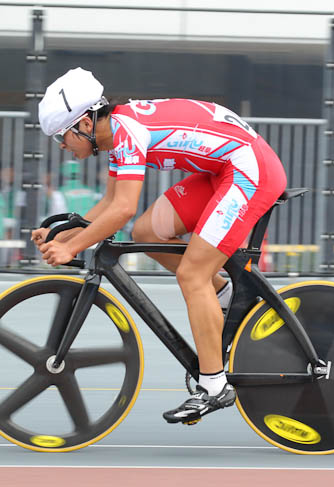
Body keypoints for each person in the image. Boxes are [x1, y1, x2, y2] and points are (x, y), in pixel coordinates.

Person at [32, 67, 287, 422]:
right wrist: (63, 236)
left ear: (86, 125)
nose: (62, 146)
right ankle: (225, 297)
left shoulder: (126, 133)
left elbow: (122, 208)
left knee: (192, 275)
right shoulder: (117, 131)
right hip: (224, 170)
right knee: (147, 232)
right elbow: (109, 203)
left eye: (62, 137)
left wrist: (72, 249)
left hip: (250, 170)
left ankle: (214, 387)